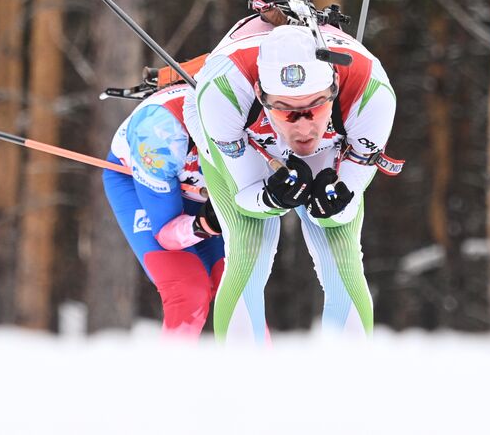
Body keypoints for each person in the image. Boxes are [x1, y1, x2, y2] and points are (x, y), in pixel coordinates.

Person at [183, 21, 399, 343]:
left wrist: (334, 203)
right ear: (260, 93)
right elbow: (247, 197)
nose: (302, 129)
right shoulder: (223, 92)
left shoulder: (372, 95)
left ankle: (349, 382)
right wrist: (271, 199)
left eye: (315, 108)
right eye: (286, 111)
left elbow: (344, 211)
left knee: (341, 251)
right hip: (245, 137)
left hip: (328, 145)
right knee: (249, 248)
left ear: (335, 86)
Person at [101, 82, 225, 338]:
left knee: (237, 288)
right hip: (141, 184)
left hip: (198, 181)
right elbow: (167, 233)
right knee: (188, 291)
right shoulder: (161, 137)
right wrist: (204, 225)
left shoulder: (276, 113)